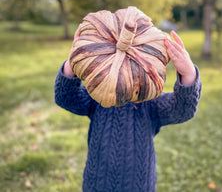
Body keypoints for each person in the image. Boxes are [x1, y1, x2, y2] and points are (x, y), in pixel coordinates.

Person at [54, 28, 202, 192]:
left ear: (147, 69)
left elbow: (182, 110)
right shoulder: (97, 98)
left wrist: (188, 73)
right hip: (96, 184)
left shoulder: (151, 103)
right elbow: (66, 97)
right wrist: (74, 60)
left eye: (132, 65)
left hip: (139, 186)